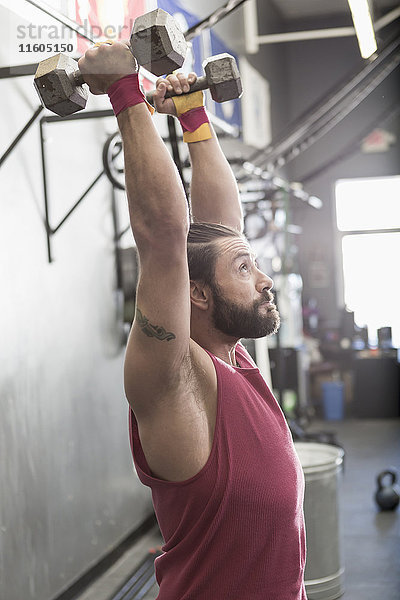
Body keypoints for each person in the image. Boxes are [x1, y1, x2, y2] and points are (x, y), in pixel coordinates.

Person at [79, 39, 306, 600]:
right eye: (246, 269)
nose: (265, 280)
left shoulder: (231, 351)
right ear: (197, 295)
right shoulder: (177, 376)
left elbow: (220, 230)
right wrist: (125, 92)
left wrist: (195, 120)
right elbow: (164, 240)